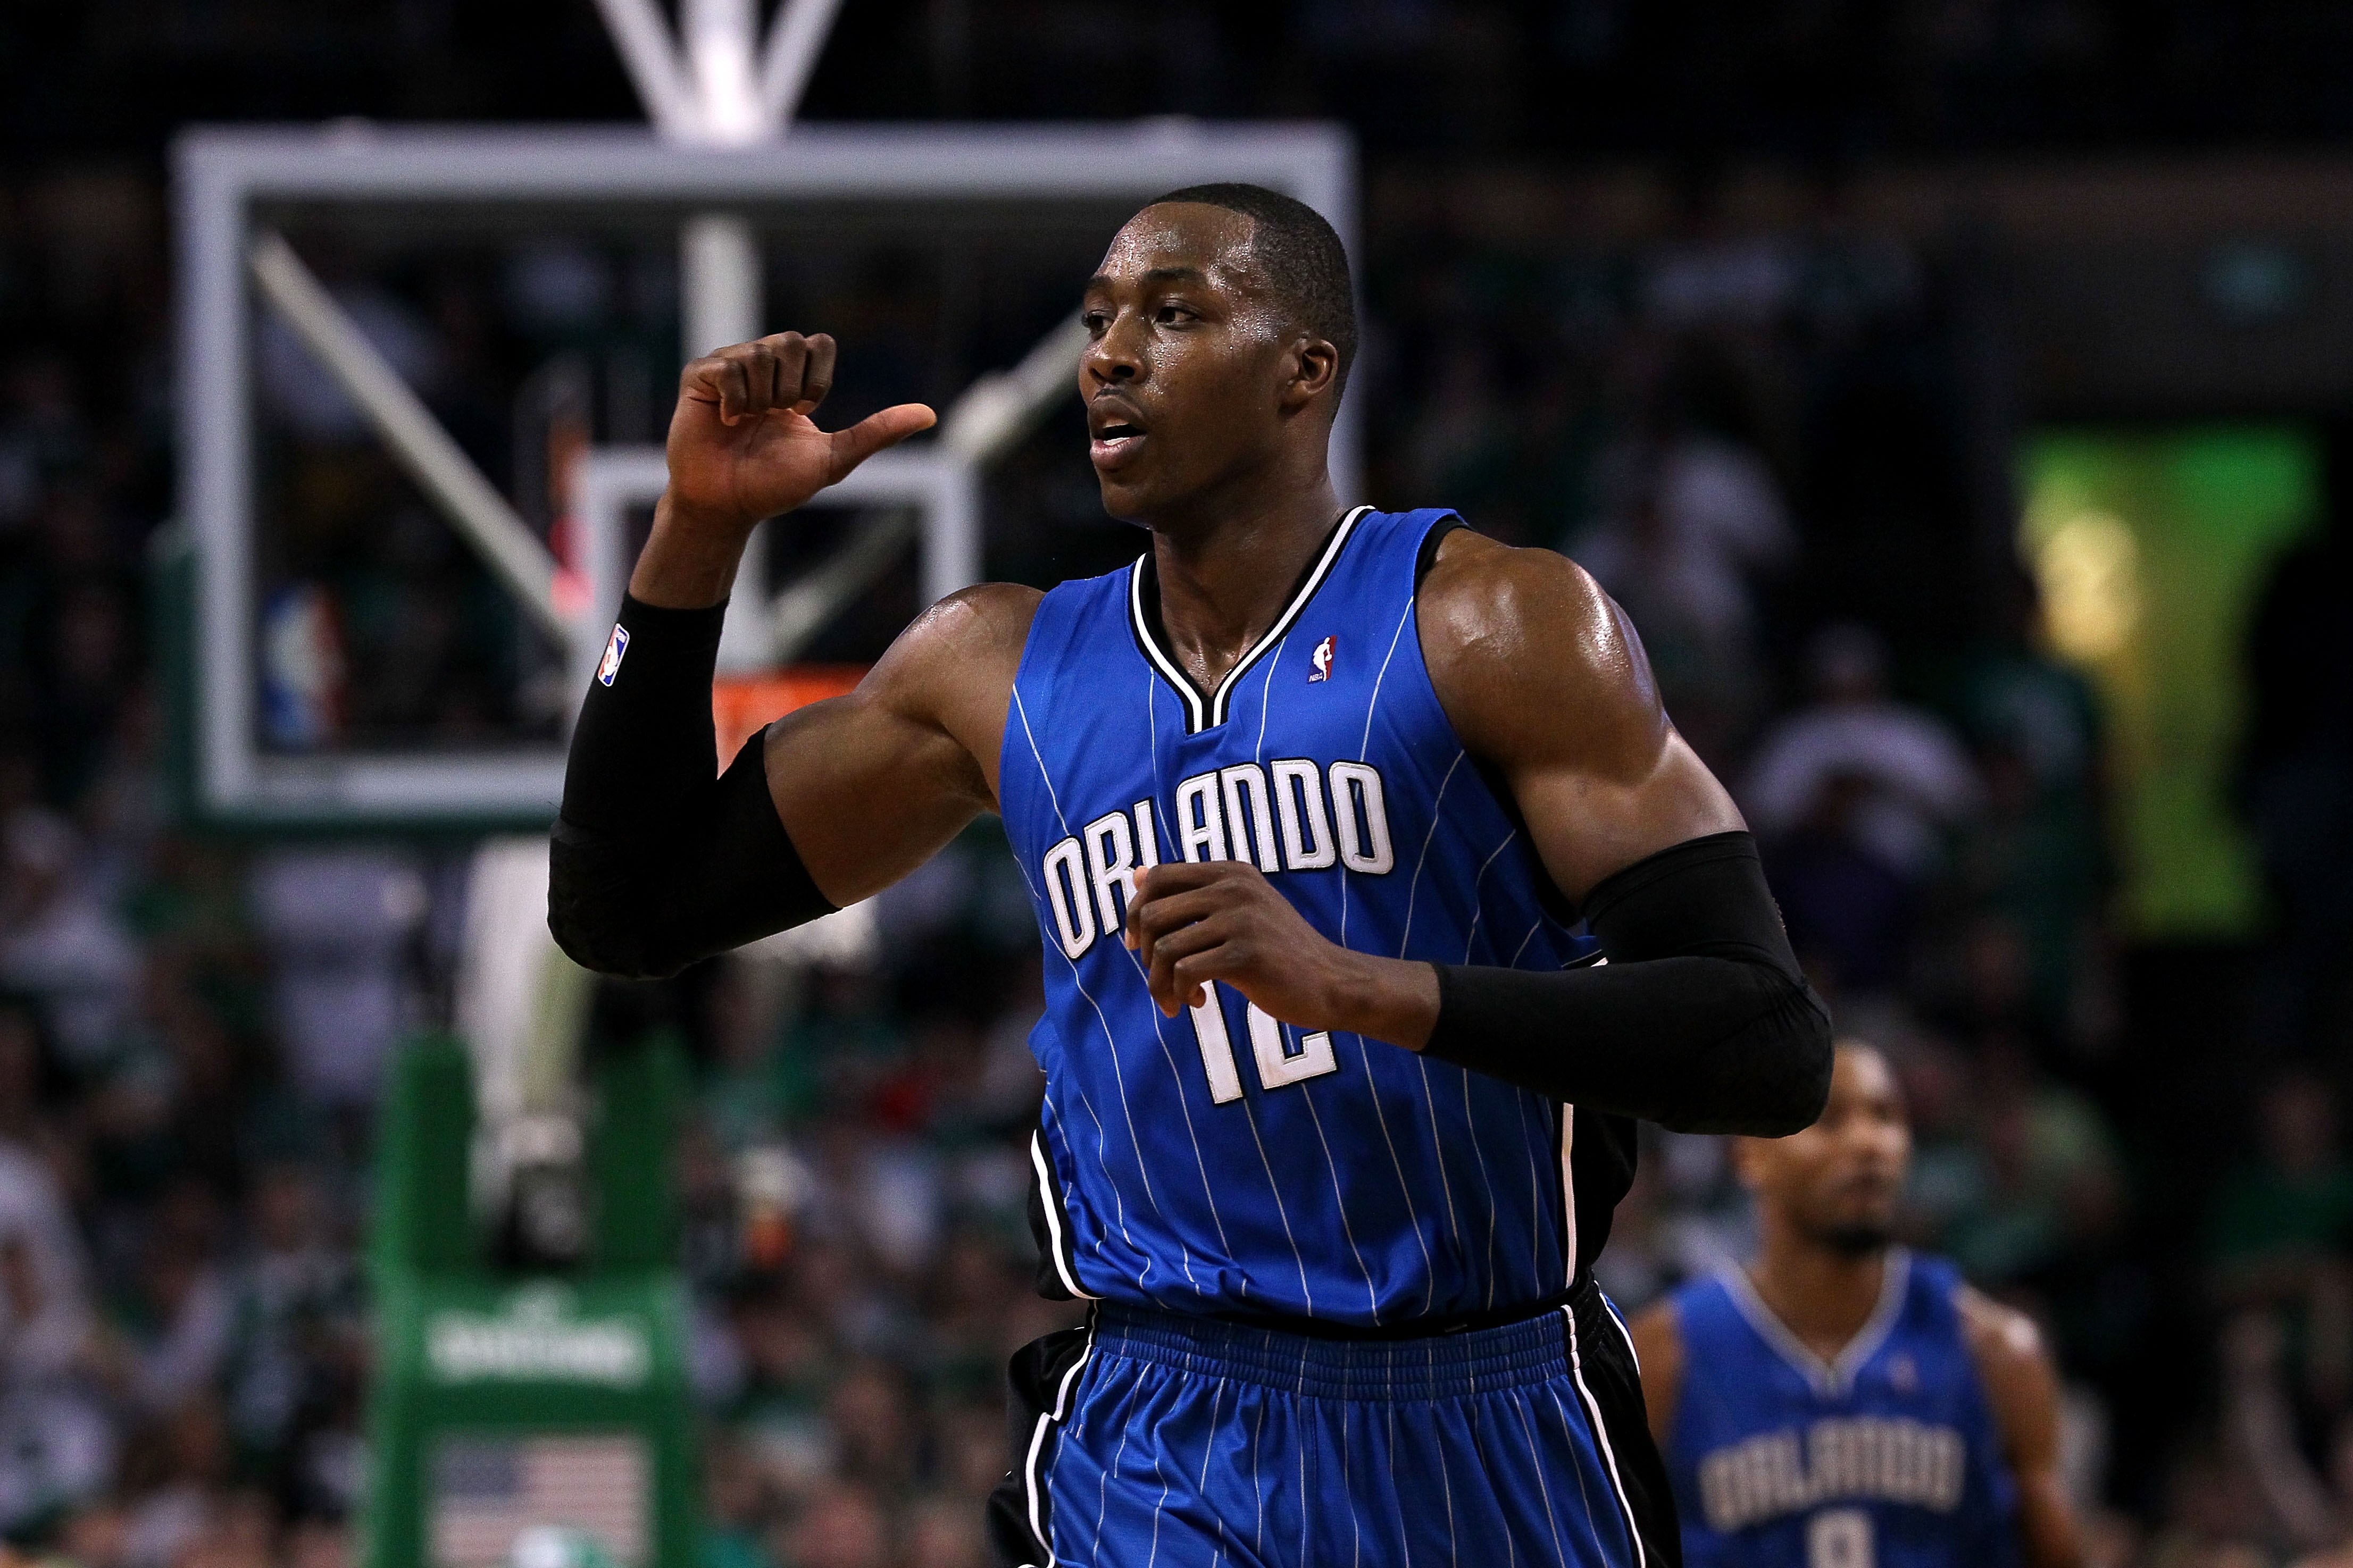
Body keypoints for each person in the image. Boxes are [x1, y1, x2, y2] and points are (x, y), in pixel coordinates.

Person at [549, 183, 1832, 1565]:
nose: (1110, 354)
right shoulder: (996, 670)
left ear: (1304, 369)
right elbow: (629, 907)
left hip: (1488, 1403)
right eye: (1099, 321)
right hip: (1162, 1427)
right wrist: (696, 533)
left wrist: (1367, 988)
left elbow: (1764, 1040)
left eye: (1175, 314)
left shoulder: (1494, 624)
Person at [1630, 1041, 2082, 1567]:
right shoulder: (1661, 1359)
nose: (1868, 1143)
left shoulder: (1996, 1352)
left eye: (1885, 1116)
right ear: (1748, 1153)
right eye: (1828, 1119)